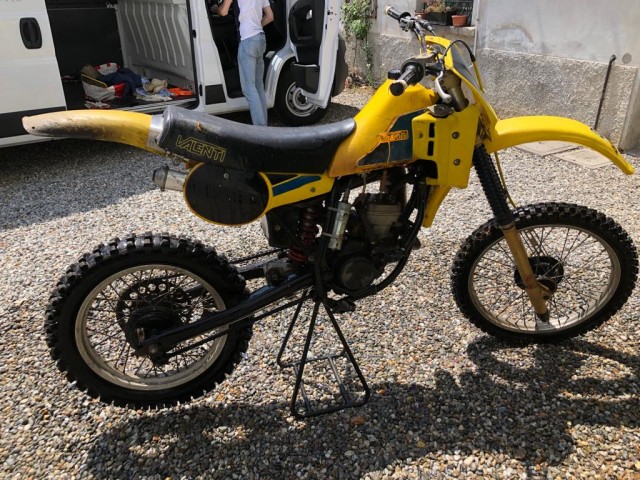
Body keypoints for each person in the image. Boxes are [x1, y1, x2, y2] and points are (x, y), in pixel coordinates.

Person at [211, 0, 273, 126]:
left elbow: (223, 11)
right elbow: (270, 16)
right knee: (258, 86)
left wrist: (215, 8)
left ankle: (260, 129)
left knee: (249, 89)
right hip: (260, 38)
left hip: (247, 42)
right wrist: (257, 27)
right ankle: (264, 127)